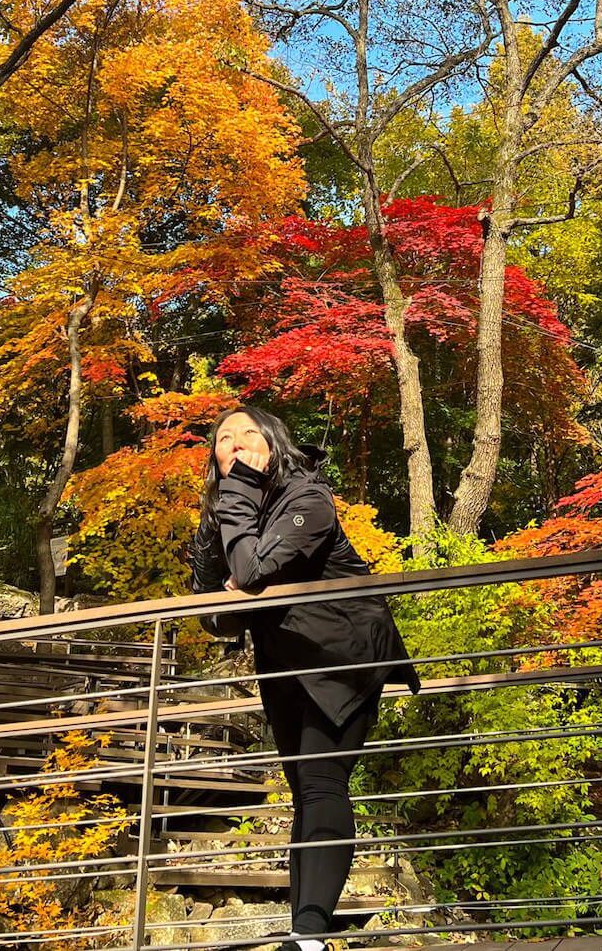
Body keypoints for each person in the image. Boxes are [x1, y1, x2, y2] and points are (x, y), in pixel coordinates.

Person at [190, 405, 419, 951]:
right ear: (214, 458)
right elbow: (217, 617)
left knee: (320, 783)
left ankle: (309, 935)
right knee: (304, 793)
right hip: (285, 662)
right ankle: (305, 930)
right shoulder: (231, 517)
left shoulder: (308, 500)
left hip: (342, 653)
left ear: (275, 445)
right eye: (225, 439)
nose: (238, 443)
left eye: (250, 434)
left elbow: (249, 574)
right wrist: (217, 530)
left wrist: (238, 497)